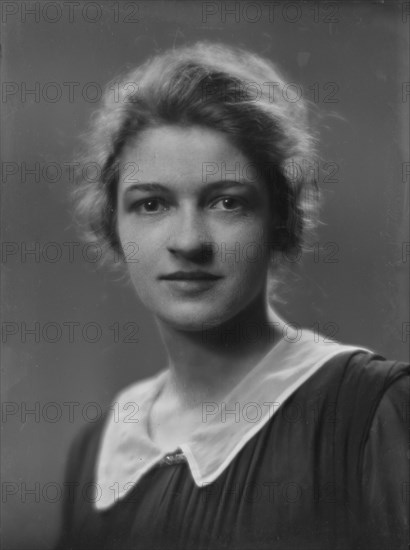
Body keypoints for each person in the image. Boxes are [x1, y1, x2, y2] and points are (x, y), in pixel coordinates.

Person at [55, 42, 409, 550]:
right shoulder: (102, 446)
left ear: (279, 218)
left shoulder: (368, 412)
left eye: (226, 202)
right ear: (113, 224)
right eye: (151, 204)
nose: (189, 241)